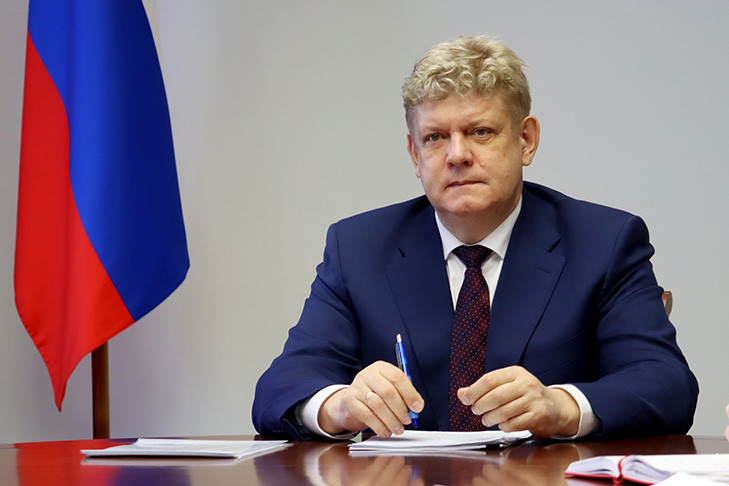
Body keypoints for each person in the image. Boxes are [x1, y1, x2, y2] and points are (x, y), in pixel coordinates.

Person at [252, 35, 698, 441]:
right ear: (414, 154)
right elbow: (280, 387)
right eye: (435, 137)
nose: (457, 155)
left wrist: (561, 407)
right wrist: (340, 405)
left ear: (526, 140)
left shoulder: (603, 243)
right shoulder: (359, 248)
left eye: (480, 132)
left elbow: (667, 385)